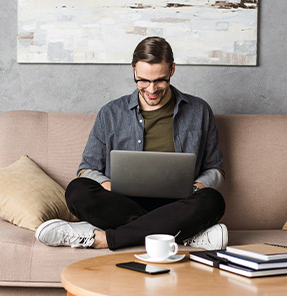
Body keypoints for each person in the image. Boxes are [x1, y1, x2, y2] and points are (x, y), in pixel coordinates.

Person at [35, 36, 227, 251]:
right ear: (134, 70)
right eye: (143, 80)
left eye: (160, 80)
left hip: (177, 204)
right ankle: (183, 235)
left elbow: (215, 169)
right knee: (77, 191)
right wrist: (108, 185)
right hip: (121, 205)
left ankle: (107, 239)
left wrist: (196, 187)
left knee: (212, 200)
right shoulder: (110, 113)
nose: (152, 89)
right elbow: (86, 169)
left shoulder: (199, 110)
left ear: (172, 69)